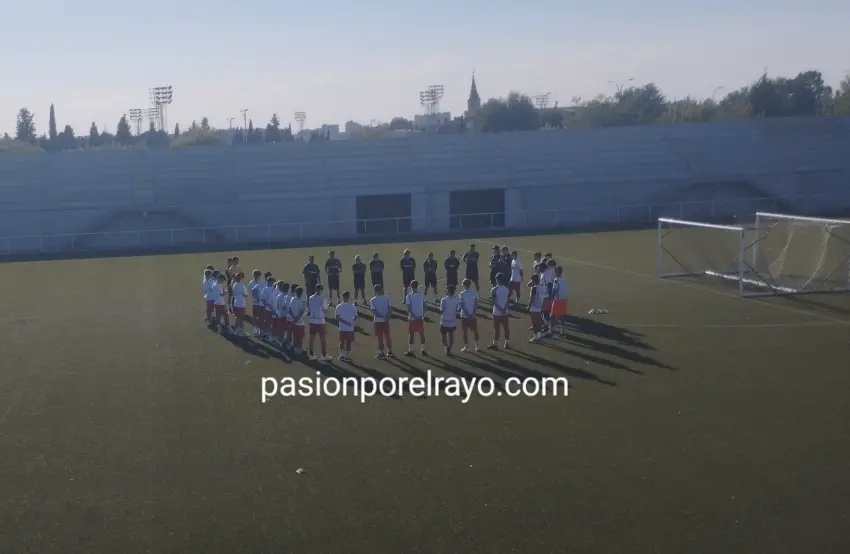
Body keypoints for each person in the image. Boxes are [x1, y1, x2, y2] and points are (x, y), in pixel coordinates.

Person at [307, 284, 332, 361]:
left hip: (312, 320)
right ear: (321, 290)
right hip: (320, 321)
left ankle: (311, 354)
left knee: (312, 338)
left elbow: (310, 308)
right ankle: (324, 355)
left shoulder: (310, 297)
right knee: (323, 338)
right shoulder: (322, 298)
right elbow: (325, 310)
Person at [370, 284, 394, 359]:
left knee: (380, 338)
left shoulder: (372, 300)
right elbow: (390, 309)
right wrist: (386, 317)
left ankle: (382, 353)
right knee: (387, 336)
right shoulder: (387, 298)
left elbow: (374, 312)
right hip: (386, 321)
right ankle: (390, 351)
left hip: (377, 321)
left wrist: (381, 317)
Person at [404, 280, 427, 356]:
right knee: (422, 334)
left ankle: (410, 351)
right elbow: (425, 307)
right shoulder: (422, 295)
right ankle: (423, 349)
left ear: (411, 287)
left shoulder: (409, 296)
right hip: (420, 318)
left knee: (411, 335)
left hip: (412, 319)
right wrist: (421, 315)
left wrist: (414, 316)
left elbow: (409, 309)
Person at [489, 273, 511, 349]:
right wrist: (504, 308)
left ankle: (495, 343)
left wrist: (500, 309)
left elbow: (494, 302)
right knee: (506, 328)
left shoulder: (494, 290)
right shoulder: (507, 289)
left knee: (496, 329)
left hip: (497, 312)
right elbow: (508, 300)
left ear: (497, 280)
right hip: (505, 312)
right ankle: (506, 343)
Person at [458, 278, 480, 352]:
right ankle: (476, 345)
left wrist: (467, 313)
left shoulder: (461, 294)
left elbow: (462, 305)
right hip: (472, 315)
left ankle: (466, 346)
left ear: (464, 285)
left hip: (464, 316)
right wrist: (473, 313)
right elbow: (476, 304)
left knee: (465, 332)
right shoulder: (474, 293)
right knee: (475, 331)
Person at [335, 291, 357, 362]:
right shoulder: (352, 307)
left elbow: (337, 317)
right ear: (348, 297)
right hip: (349, 328)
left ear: (342, 297)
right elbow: (355, 317)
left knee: (342, 342)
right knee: (348, 342)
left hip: (342, 328)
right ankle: (346, 357)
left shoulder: (338, 306)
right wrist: (350, 322)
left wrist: (345, 322)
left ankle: (341, 356)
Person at [439, 284, 460, 356]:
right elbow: (458, 310)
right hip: (452, 321)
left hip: (444, 321)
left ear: (447, 291)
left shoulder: (443, 300)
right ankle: (449, 349)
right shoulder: (456, 299)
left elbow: (441, 311)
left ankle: (446, 347)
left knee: (443, 337)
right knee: (451, 337)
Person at [527, 274, 547, 343]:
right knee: (538, 322)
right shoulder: (542, 287)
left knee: (535, 323)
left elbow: (532, 298)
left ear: (533, 280)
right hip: (540, 307)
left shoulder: (534, 288)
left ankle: (536, 337)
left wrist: (529, 305)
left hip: (534, 307)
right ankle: (540, 335)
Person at [550, 266, 568, 336]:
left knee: (553, 315)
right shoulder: (564, 279)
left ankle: (551, 330)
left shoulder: (556, 280)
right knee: (562, 315)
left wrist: (551, 298)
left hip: (557, 300)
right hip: (564, 299)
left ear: (557, 272)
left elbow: (554, 290)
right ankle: (562, 330)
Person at [288, 287, 307, 356]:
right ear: (301, 293)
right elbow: (301, 312)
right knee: (300, 337)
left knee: (295, 336)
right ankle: (298, 350)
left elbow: (289, 309)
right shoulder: (302, 302)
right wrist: (296, 319)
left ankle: (293, 348)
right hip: (299, 322)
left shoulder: (292, 299)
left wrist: (293, 318)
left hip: (293, 321)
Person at [231, 272, 249, 336]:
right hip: (241, 304)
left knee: (238, 317)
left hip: (236, 303)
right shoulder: (242, 285)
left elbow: (234, 294)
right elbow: (246, 294)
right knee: (241, 318)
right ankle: (241, 332)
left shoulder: (234, 285)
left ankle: (236, 330)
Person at [248, 270, 264, 337]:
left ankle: (259, 330)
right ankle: (255, 330)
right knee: (255, 317)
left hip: (259, 302)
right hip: (255, 302)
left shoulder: (259, 282)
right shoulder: (253, 283)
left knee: (259, 317)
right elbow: (251, 291)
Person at [261, 276, 277, 340]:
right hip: (273, 309)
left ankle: (269, 334)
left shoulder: (265, 289)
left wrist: (266, 306)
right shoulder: (274, 289)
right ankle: (270, 335)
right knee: (271, 323)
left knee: (268, 322)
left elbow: (263, 299)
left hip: (269, 309)